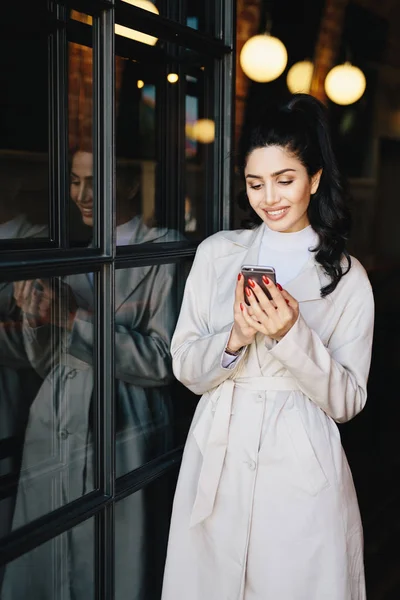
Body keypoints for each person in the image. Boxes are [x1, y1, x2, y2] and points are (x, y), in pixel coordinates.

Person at [161, 94, 374, 600]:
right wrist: (234, 337)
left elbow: (348, 401)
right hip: (218, 451)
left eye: (285, 180)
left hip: (301, 465)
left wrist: (289, 335)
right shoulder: (217, 254)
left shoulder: (345, 277)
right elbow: (186, 367)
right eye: (256, 183)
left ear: (314, 179)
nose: (269, 197)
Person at [3, 150, 179, 599]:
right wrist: (34, 317)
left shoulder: (162, 251)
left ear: (132, 185)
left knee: (113, 561)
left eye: (94, 181)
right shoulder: (71, 254)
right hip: (55, 421)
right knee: (50, 558)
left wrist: (74, 317)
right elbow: (46, 364)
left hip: (122, 427)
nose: (82, 195)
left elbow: (161, 362)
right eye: (74, 181)